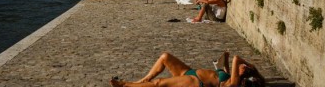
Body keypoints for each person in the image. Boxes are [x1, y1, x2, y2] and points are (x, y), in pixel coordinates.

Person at [110, 50, 265, 87]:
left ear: (243, 74)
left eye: (243, 68)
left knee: (159, 83)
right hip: (189, 72)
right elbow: (229, 60)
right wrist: (225, 60)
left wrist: (250, 66)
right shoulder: (230, 76)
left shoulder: (233, 84)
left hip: (195, 82)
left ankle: (125, 85)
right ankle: (141, 82)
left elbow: (237, 58)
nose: (240, 66)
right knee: (165, 56)